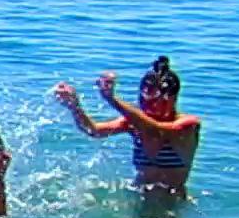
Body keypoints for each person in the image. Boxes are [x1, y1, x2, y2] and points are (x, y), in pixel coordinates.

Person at [53, 56, 201, 199]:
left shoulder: (188, 125)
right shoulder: (134, 123)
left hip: (172, 204)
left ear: (172, 98)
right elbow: (94, 130)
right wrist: (74, 106)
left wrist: (112, 99)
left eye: (153, 100)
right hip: (139, 198)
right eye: (142, 99)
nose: (146, 105)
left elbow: (157, 130)